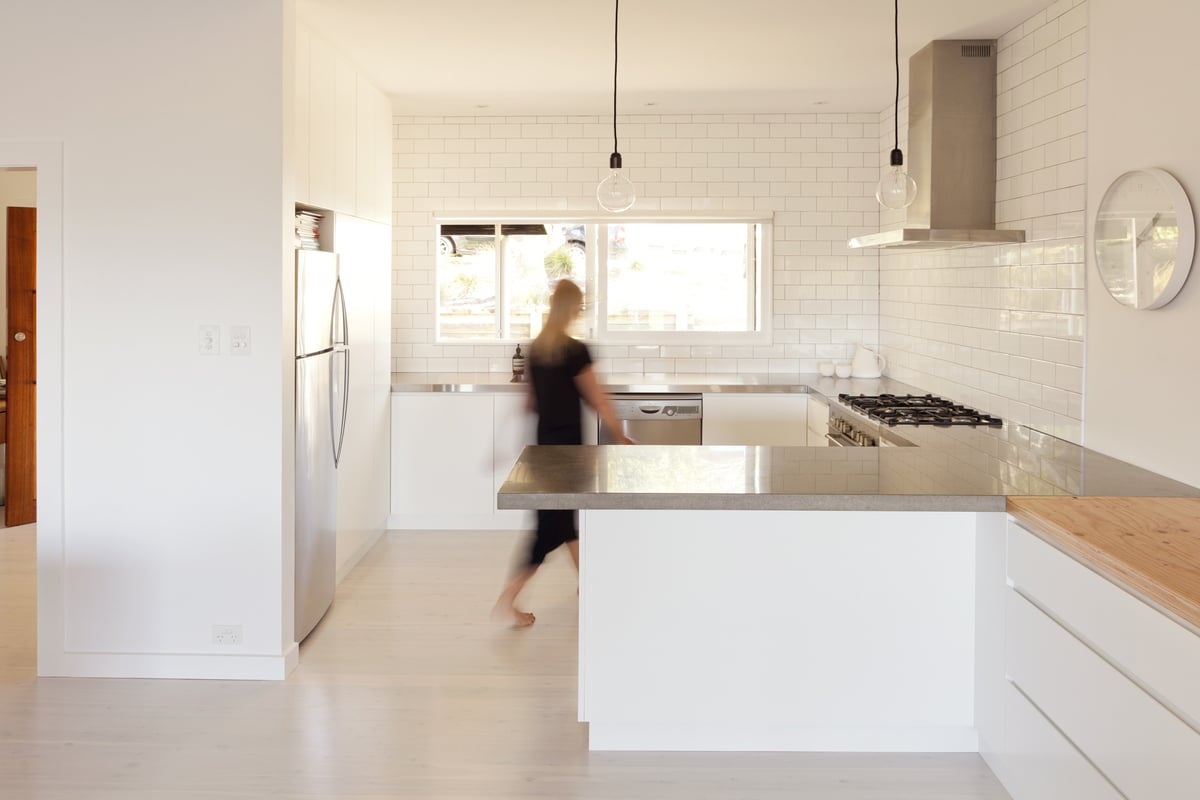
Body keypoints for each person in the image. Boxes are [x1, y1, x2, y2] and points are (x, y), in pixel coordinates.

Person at [492, 279, 632, 628]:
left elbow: (529, 402)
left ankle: (590, 585)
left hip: (542, 448)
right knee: (548, 530)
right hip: (568, 451)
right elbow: (597, 398)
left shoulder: (537, 349)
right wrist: (619, 434)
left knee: (565, 520)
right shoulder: (575, 351)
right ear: (572, 309)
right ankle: (507, 600)